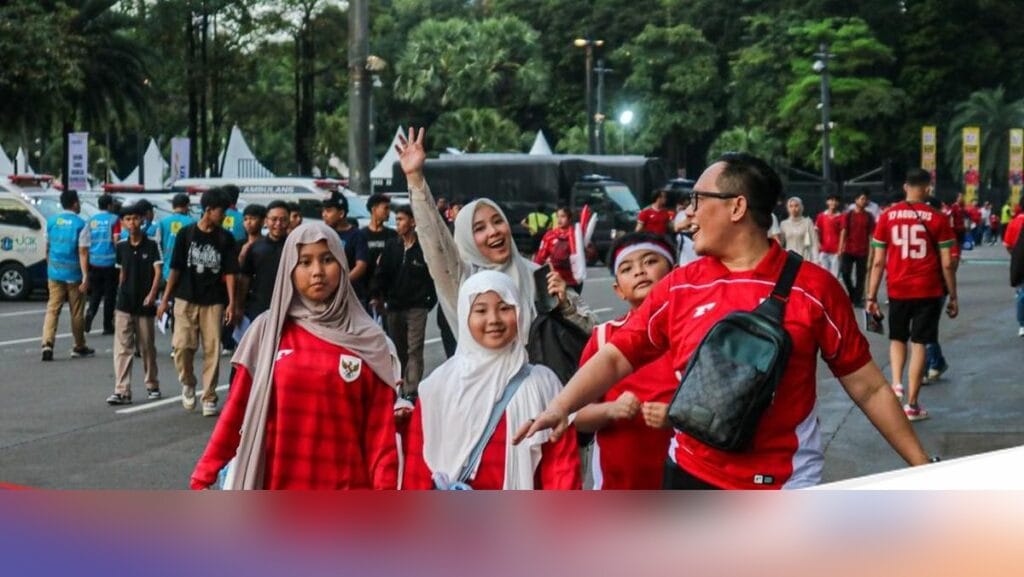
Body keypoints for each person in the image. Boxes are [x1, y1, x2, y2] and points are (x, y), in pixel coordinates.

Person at [517, 152, 932, 490]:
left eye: (698, 200)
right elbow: (615, 357)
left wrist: (922, 467)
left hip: (783, 484)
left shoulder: (814, 289)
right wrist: (560, 408)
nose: (689, 213)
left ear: (736, 207)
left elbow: (870, 387)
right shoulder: (680, 286)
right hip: (689, 476)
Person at [190, 222, 400, 490]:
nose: (317, 272)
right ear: (289, 269)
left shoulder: (370, 341)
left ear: (343, 265)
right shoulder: (268, 332)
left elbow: (380, 438)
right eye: (305, 262)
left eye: (327, 259)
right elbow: (236, 411)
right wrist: (203, 475)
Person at [398, 127, 596, 352]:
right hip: (479, 384)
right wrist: (415, 179)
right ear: (466, 241)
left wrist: (566, 305)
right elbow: (435, 242)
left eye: (497, 221)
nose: (494, 231)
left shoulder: (537, 277)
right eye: (479, 228)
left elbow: (593, 332)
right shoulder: (463, 280)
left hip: (540, 384)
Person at [403, 271, 581, 490]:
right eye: (480, 310)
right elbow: (417, 467)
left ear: (519, 312)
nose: (494, 319)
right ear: (464, 315)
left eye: (505, 308)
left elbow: (561, 467)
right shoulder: (438, 386)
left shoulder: (542, 383)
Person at [574, 233, 677, 489]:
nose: (640, 271)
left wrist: (680, 416)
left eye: (650, 261)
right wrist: (610, 411)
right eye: (627, 268)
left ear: (675, 274)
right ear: (618, 289)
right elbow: (576, 415)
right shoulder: (603, 338)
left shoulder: (695, 331)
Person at [866, 168, 959, 422]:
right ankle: (913, 404)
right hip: (928, 290)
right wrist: (952, 295)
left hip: (897, 289)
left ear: (906, 186)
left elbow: (877, 262)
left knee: (897, 339)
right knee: (920, 343)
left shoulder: (887, 217)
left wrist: (871, 296)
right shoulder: (938, 219)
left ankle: (896, 383)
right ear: (928, 188)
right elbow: (947, 264)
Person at [156, 188, 239, 417]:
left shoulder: (225, 238)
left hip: (214, 301)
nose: (224, 217)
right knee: (182, 346)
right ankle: (188, 381)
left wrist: (232, 303)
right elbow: (175, 268)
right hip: (185, 298)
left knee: (213, 348)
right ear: (209, 210)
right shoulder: (186, 234)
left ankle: (209, 396)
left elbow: (231, 271)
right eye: (221, 212)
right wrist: (164, 300)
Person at [370, 204, 437, 399]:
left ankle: (411, 391)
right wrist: (377, 296)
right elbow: (381, 273)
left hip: (417, 307)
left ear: (413, 222)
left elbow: (432, 277)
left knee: (414, 349)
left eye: (401, 219)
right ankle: (400, 385)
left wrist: (427, 302)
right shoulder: (392, 246)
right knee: (399, 350)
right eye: (396, 219)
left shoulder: (424, 248)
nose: (397, 223)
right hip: (394, 307)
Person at [106, 203, 162, 405]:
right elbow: (121, 274)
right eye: (128, 219)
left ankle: (152, 384)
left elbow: (158, 272)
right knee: (122, 348)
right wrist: (116, 302)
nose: (132, 223)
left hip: (145, 304)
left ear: (143, 220)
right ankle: (122, 390)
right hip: (124, 303)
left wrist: (153, 294)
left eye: (136, 218)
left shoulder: (152, 245)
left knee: (147, 347)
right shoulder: (121, 246)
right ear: (122, 223)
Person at [41, 189, 94, 361]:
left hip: (54, 273)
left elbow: (47, 248)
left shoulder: (51, 222)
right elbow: (83, 252)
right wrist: (86, 275)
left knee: (52, 309)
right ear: (75, 203)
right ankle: (79, 345)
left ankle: (47, 344)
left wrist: (50, 267)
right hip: (74, 275)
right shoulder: (81, 224)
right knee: (77, 311)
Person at [237, 200, 289, 327]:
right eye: (274, 219)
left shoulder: (295, 246)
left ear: (288, 221)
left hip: (288, 307)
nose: (278, 224)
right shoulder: (255, 248)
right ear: (266, 221)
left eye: (283, 220)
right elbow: (245, 279)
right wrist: (239, 306)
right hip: (259, 307)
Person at [321, 192, 369, 299]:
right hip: (328, 295)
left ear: (341, 213)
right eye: (323, 211)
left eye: (328, 211)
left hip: (351, 295)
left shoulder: (357, 235)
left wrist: (343, 282)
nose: (324, 214)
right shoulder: (323, 234)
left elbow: (361, 266)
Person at [84, 194, 119, 335]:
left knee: (96, 293)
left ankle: (90, 312)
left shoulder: (91, 220)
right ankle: (107, 325)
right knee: (110, 295)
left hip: (94, 262)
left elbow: (86, 241)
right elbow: (116, 239)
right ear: (110, 205)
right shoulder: (114, 220)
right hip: (110, 262)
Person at [362, 193, 398, 313]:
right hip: (365, 290)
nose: (388, 212)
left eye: (389, 208)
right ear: (374, 209)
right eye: (385, 208)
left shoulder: (392, 235)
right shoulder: (361, 235)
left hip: (386, 291)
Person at [838, 192, 875, 307]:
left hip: (863, 250)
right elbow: (843, 231)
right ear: (856, 200)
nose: (864, 201)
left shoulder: (869, 216)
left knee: (861, 276)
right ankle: (852, 293)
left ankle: (857, 299)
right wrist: (840, 248)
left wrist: (872, 252)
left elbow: (871, 235)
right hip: (848, 249)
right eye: (861, 199)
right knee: (845, 273)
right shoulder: (848, 215)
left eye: (866, 199)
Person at [533, 206, 581, 292]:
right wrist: (533, 271)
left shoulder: (577, 235)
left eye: (563, 216)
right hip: (555, 279)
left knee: (573, 304)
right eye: (557, 216)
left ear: (569, 218)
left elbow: (585, 256)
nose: (559, 220)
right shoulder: (550, 235)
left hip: (573, 280)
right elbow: (540, 258)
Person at [1002, 198, 1024, 337]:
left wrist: (1015, 256)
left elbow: (1008, 244)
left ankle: (1022, 324)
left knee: (1021, 293)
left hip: (1019, 261)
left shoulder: (1014, 221)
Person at [779, 196, 818, 260]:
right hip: (789, 259)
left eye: (796, 205)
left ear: (801, 207)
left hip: (805, 258)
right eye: (791, 206)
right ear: (787, 208)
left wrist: (816, 259)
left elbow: (814, 243)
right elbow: (780, 244)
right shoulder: (784, 224)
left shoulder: (808, 222)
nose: (794, 208)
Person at [815, 193, 843, 276]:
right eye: (831, 200)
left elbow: (843, 233)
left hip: (836, 251)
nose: (833, 203)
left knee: (834, 276)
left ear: (838, 203)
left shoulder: (841, 217)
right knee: (823, 275)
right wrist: (818, 243)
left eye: (835, 201)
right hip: (824, 251)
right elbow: (816, 230)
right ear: (827, 202)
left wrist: (840, 248)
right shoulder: (821, 216)